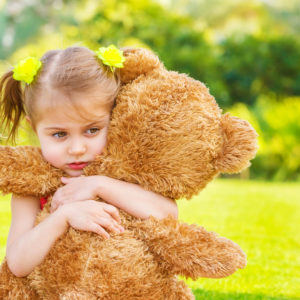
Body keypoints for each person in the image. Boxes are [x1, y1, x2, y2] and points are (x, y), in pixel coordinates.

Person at [0, 45, 178, 278]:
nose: (77, 149)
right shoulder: (32, 186)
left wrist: (99, 184)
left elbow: (169, 214)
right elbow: (17, 263)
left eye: (92, 130)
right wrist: (63, 217)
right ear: (34, 127)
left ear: (114, 118)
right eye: (59, 134)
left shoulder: (122, 171)